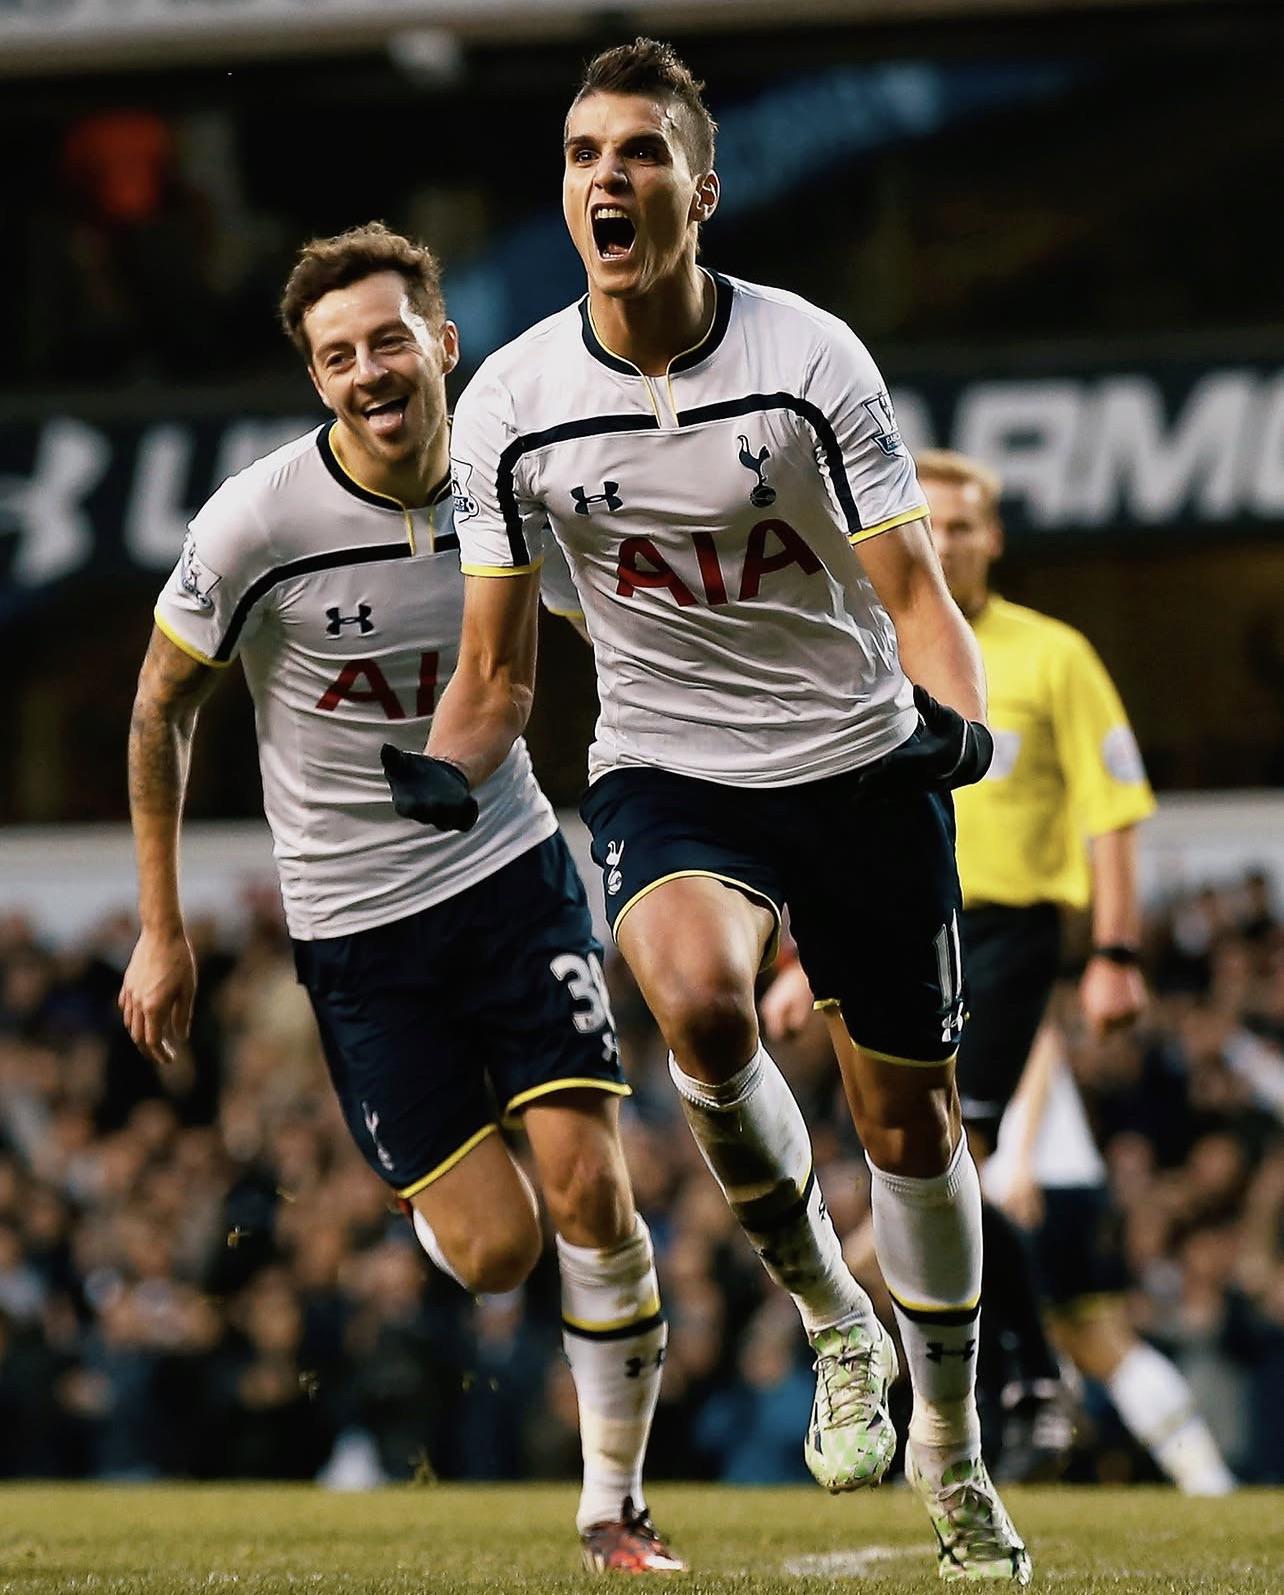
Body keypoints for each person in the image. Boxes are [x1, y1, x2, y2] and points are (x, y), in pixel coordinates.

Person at [384, 39, 1029, 1583]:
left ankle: (951, 1445)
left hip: (860, 761)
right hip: (669, 768)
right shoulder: (512, 403)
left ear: (704, 189)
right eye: (581, 153)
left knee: (911, 1123)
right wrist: (442, 771)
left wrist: (962, 722)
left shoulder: (811, 358)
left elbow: (914, 592)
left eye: (641, 153)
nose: (606, 177)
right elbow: (494, 671)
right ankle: (833, 1316)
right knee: (696, 1002)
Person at [117, 222, 682, 1574]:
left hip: (509, 874)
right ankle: (432, 1193)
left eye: (387, 339)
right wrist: (162, 924)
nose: (367, 370)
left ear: (443, 341)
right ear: (315, 379)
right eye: (337, 356)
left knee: (592, 1187)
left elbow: (632, 627)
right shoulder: (256, 521)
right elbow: (159, 708)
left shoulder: (515, 483)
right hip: (355, 926)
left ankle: (614, 1505)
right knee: (496, 1251)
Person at [764, 444, 1159, 1476]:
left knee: (954, 1156)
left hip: (1007, 934)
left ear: (995, 537)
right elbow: (827, 816)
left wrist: (1115, 951)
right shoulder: (869, 644)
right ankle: (1014, 1384)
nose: (946, 541)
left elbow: (1113, 812)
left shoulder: (1057, 656)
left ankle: (1025, 1381)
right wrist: (800, 957)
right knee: (930, 1166)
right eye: (928, 523)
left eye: (966, 524)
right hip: (891, 920)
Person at [983, 1020, 1236, 1495]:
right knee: (1085, 1342)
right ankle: (1201, 1471)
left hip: (1036, 1189)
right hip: (1060, 1186)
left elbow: (1040, 1039)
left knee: (1068, 1343)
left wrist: (1018, 1157)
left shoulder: (960, 987)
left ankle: (1202, 1474)